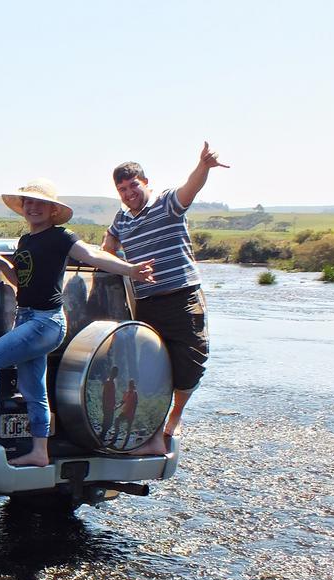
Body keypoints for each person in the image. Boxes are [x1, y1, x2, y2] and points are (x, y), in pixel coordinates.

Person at [0, 179, 155, 467]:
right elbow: (21, 283)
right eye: (28, 202)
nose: (33, 207)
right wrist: (1, 262)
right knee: (33, 389)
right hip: (26, 318)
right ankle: (40, 451)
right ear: (22, 208)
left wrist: (130, 269)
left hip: (46, 322)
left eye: (40, 203)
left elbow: (92, 256)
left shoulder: (61, 237)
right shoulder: (26, 241)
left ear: (52, 210)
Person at [101, 142, 230, 454]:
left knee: (191, 364)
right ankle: (154, 434)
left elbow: (190, 188)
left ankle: (175, 416)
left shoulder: (168, 203)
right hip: (146, 305)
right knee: (148, 371)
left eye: (133, 185)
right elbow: (109, 246)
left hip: (183, 298)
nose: (129, 192)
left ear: (146, 183)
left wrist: (203, 167)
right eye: (122, 188)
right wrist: (123, 265)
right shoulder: (121, 220)